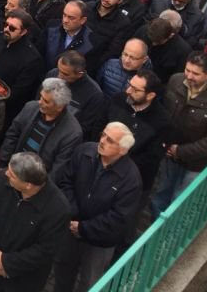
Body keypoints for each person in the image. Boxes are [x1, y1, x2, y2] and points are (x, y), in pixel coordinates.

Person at [53, 123, 142, 292]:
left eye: (110, 140)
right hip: (70, 230)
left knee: (90, 282)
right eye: (103, 135)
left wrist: (82, 228)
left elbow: (118, 218)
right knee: (62, 272)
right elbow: (66, 181)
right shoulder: (84, 151)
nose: (102, 141)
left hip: (99, 243)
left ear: (122, 150)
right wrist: (72, 216)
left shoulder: (131, 180)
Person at [151, 52, 207, 216]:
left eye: (195, 73)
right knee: (162, 190)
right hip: (170, 153)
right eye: (187, 70)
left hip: (196, 163)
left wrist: (180, 151)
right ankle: (154, 222)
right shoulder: (176, 80)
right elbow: (165, 113)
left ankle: (171, 234)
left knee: (180, 200)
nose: (189, 76)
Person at [0, 151, 70, 292]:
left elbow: (45, 250)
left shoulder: (58, 209)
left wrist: (6, 262)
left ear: (28, 185)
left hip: (24, 280)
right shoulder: (2, 179)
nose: (6, 174)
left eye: (12, 175)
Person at [0, 77, 82, 184]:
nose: (40, 102)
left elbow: (58, 168)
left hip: (34, 182)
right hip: (12, 169)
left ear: (59, 107)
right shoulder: (30, 107)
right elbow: (13, 135)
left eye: (46, 101)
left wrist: (39, 188)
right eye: (41, 97)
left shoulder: (72, 133)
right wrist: (2, 163)